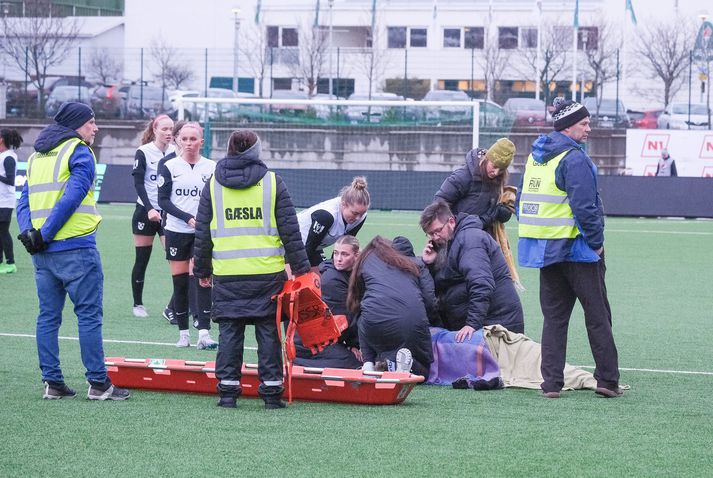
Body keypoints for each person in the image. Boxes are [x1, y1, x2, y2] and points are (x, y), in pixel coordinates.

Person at [15, 102, 130, 400]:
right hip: (76, 247)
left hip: (43, 252)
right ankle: (99, 384)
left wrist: (33, 234)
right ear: (78, 124)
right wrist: (45, 233)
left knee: (48, 317)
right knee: (89, 316)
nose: (96, 127)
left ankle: (52, 383)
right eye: (92, 122)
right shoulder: (79, 150)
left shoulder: (38, 155)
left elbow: (24, 200)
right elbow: (73, 197)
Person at [193, 129, 311, 409]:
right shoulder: (272, 182)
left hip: (227, 274)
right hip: (267, 274)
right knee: (268, 333)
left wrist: (202, 270)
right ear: (255, 151)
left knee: (229, 334)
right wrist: (303, 269)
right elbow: (290, 232)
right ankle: (271, 394)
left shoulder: (213, 184)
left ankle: (227, 394)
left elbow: (203, 233)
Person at [517, 96, 621, 399]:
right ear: (567, 127)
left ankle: (550, 384)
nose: (589, 129)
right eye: (584, 123)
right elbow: (586, 208)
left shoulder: (535, 157)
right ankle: (607, 380)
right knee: (598, 315)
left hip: (546, 251)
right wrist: (597, 245)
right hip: (578, 250)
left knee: (554, 319)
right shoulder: (574, 159)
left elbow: (523, 200)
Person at [419, 200, 524, 338]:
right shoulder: (449, 242)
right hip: (486, 323)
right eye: (430, 234)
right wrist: (430, 264)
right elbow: (447, 280)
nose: (435, 237)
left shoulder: (470, 240)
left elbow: (481, 284)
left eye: (438, 231)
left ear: (451, 221)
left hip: (496, 327)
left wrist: (472, 324)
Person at [157, 122, 217, 349]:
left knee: (203, 280)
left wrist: (204, 220)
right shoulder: (169, 166)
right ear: (178, 140)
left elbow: (215, 199)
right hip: (176, 231)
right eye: (185, 139)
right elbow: (163, 201)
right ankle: (183, 333)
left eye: (194, 139)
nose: (189, 143)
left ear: (202, 141)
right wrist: (186, 217)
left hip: (202, 233)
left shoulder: (212, 167)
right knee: (180, 283)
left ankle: (204, 332)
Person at [347, 236, 434, 378]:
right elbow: (429, 300)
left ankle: (369, 364)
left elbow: (357, 301)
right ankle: (408, 364)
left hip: (373, 322)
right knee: (424, 371)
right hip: (411, 321)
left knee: (364, 316)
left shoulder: (368, 259)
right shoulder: (418, 264)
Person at [130, 115, 176, 317]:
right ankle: (138, 304)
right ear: (155, 129)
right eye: (165, 129)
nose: (168, 133)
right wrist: (149, 208)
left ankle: (175, 306)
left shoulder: (176, 152)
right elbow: (139, 183)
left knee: (176, 259)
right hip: (145, 211)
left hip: (168, 213)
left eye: (171, 129)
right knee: (142, 258)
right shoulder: (144, 152)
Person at [293, 235, 363, 369]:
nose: (339, 259)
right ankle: (297, 364)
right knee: (355, 365)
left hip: (327, 338)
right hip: (312, 344)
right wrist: (353, 344)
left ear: (356, 256)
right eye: (336, 253)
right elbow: (344, 318)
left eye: (344, 254)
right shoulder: (332, 280)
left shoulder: (353, 274)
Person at [434, 138, 516, 236]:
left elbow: (492, 214)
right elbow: (439, 204)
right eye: (494, 166)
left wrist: (503, 213)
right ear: (487, 158)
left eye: (501, 170)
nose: (496, 172)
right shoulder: (462, 177)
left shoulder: (498, 181)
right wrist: (454, 227)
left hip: (484, 238)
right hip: (458, 237)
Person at [297, 176, 370, 271]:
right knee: (296, 280)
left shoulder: (360, 217)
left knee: (324, 278)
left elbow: (344, 245)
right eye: (355, 213)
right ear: (343, 204)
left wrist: (334, 270)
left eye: (361, 214)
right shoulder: (326, 216)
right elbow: (309, 247)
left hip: (313, 246)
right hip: (292, 243)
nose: (358, 218)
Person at [0, 128, 23, 274]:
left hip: (5, 201)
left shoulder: (9, 157)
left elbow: (10, 180)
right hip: (0, 200)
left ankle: (11, 263)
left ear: (2, 139)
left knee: (3, 232)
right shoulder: (3, 156)